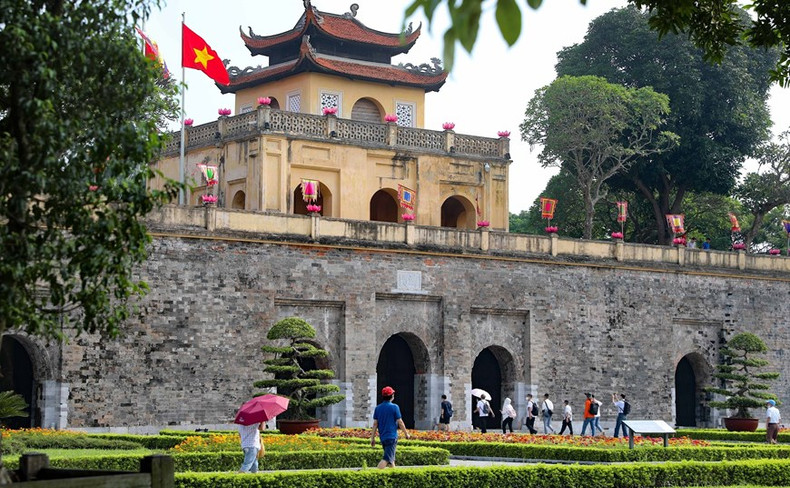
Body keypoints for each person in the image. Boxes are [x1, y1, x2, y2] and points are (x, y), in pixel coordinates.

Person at [371, 386, 410, 468]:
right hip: (391, 436)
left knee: (391, 459)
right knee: (386, 459)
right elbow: (400, 422)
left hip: (383, 437)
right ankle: (374, 473)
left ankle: (394, 476)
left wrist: (372, 438)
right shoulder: (394, 407)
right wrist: (406, 434)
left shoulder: (378, 408)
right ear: (392, 396)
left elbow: (375, 424)